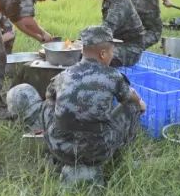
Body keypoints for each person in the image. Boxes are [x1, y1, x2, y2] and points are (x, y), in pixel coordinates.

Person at [41, 24, 146, 185]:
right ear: (103, 54)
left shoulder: (63, 75)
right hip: (96, 152)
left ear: (83, 51)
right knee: (133, 105)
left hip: (59, 148)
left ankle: (51, 152)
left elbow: (49, 97)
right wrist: (140, 104)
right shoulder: (114, 76)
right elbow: (130, 98)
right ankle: (122, 155)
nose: (113, 55)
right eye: (112, 51)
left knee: (48, 103)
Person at [79, 0, 145, 67]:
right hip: (118, 44)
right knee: (87, 52)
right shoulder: (107, 0)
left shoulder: (119, 1)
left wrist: (83, 41)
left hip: (131, 49)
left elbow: (106, 30)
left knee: (94, 55)